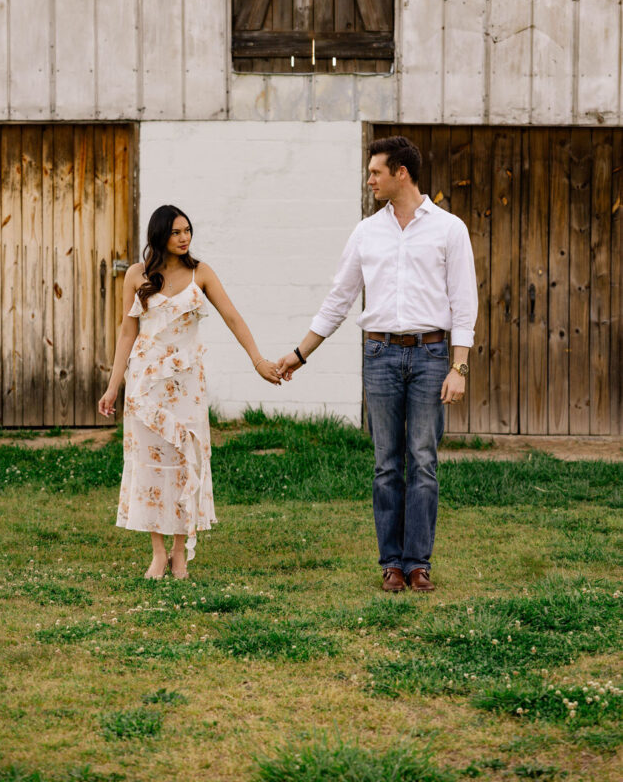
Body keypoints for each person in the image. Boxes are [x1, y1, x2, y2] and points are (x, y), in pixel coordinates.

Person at [277, 136, 477, 593]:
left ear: (400, 173)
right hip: (380, 355)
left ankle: (418, 564)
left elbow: (464, 303)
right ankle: (391, 564)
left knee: (423, 461)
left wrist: (458, 367)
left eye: (375, 173)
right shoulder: (366, 232)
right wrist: (300, 353)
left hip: (430, 355)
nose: (370, 180)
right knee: (387, 464)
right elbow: (339, 299)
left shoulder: (450, 229)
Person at [99, 204, 280, 579]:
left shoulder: (202, 273)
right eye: (176, 232)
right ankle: (157, 552)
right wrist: (113, 386)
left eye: (188, 231)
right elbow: (126, 333)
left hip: (186, 386)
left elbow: (233, 317)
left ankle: (180, 552)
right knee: (150, 465)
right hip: (145, 387)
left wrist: (258, 360)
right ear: (160, 235)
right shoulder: (136, 275)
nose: (184, 238)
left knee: (185, 460)